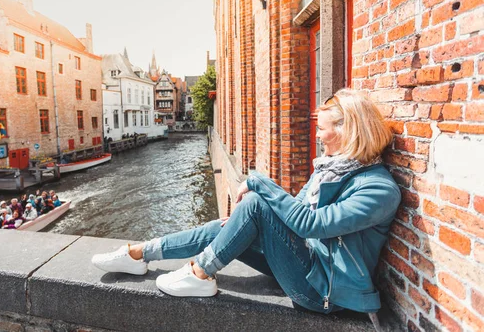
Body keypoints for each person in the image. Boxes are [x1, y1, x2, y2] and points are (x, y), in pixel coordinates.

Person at [91, 89, 401, 316]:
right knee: (231, 223)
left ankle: (200, 273)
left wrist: (257, 181)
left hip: (324, 292)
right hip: (307, 262)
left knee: (253, 202)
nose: (318, 136)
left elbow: (311, 224)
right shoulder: (330, 169)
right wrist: (245, 224)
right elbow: (295, 211)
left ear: (347, 130)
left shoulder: (378, 189)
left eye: (322, 128)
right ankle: (140, 253)